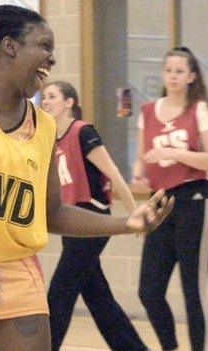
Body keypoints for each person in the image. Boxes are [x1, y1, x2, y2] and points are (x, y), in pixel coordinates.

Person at [0, 6, 173, 351]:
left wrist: (127, 223)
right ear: (10, 46)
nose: (52, 58)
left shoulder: (44, 125)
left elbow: (51, 213)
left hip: (16, 270)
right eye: (44, 46)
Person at [41, 81, 148, 351]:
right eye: (43, 96)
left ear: (69, 102)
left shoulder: (83, 132)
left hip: (93, 218)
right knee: (97, 297)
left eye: (52, 96)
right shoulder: (49, 138)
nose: (45, 101)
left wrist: (134, 215)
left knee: (60, 292)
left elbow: (114, 175)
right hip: (71, 221)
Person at [132, 46, 208, 351]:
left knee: (192, 290)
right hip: (160, 201)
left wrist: (172, 152)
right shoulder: (147, 111)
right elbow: (143, 155)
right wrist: (138, 173)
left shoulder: (201, 109)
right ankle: (169, 347)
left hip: (195, 199)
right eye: (168, 70)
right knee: (148, 290)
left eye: (180, 71)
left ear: (191, 76)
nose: (173, 76)